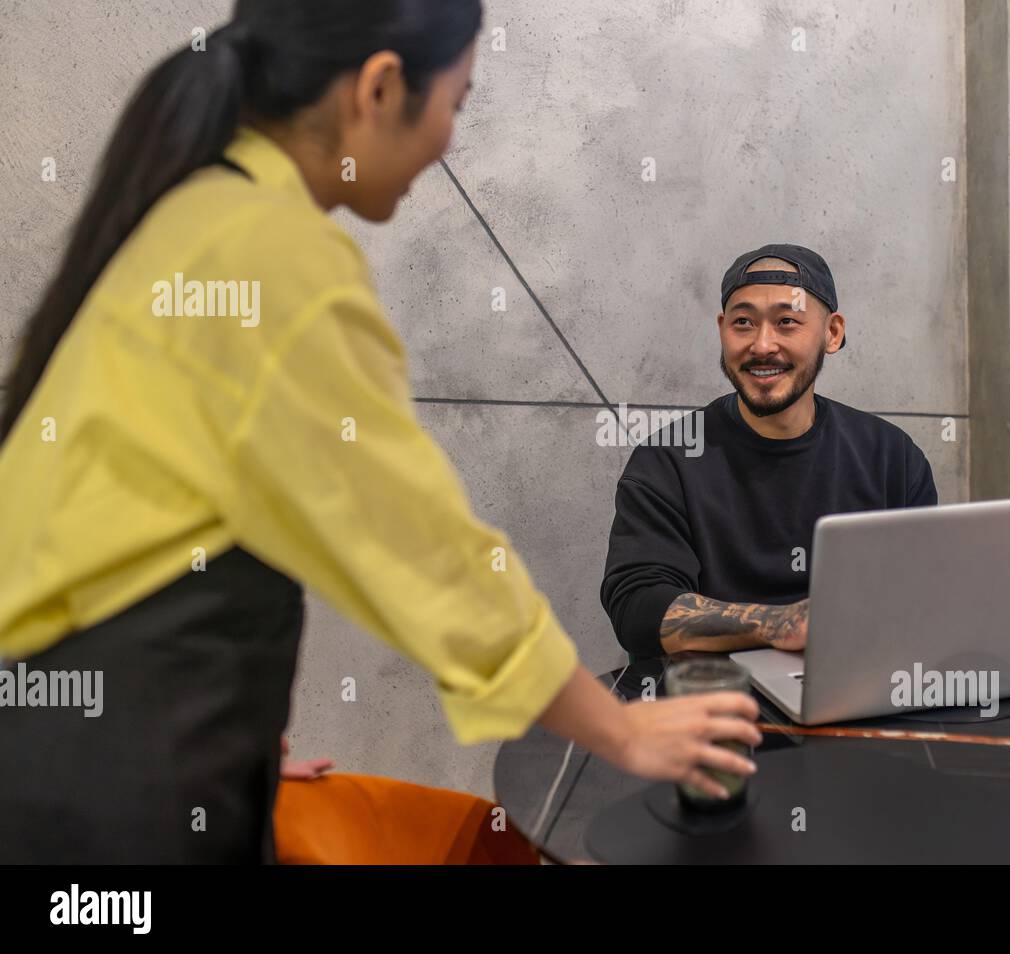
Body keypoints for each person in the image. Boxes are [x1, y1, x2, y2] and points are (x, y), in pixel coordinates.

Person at [0, 0, 759, 864]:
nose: (448, 141)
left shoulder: (192, 219)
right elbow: (430, 553)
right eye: (458, 103)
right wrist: (621, 734)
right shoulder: (272, 256)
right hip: (97, 804)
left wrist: (219, 744)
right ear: (381, 86)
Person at [600, 245, 939, 662]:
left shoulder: (891, 456)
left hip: (853, 687)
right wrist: (782, 624)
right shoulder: (667, 458)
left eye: (787, 322)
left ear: (832, 333)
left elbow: (922, 600)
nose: (763, 345)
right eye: (743, 322)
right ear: (722, 329)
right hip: (710, 700)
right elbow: (639, 610)